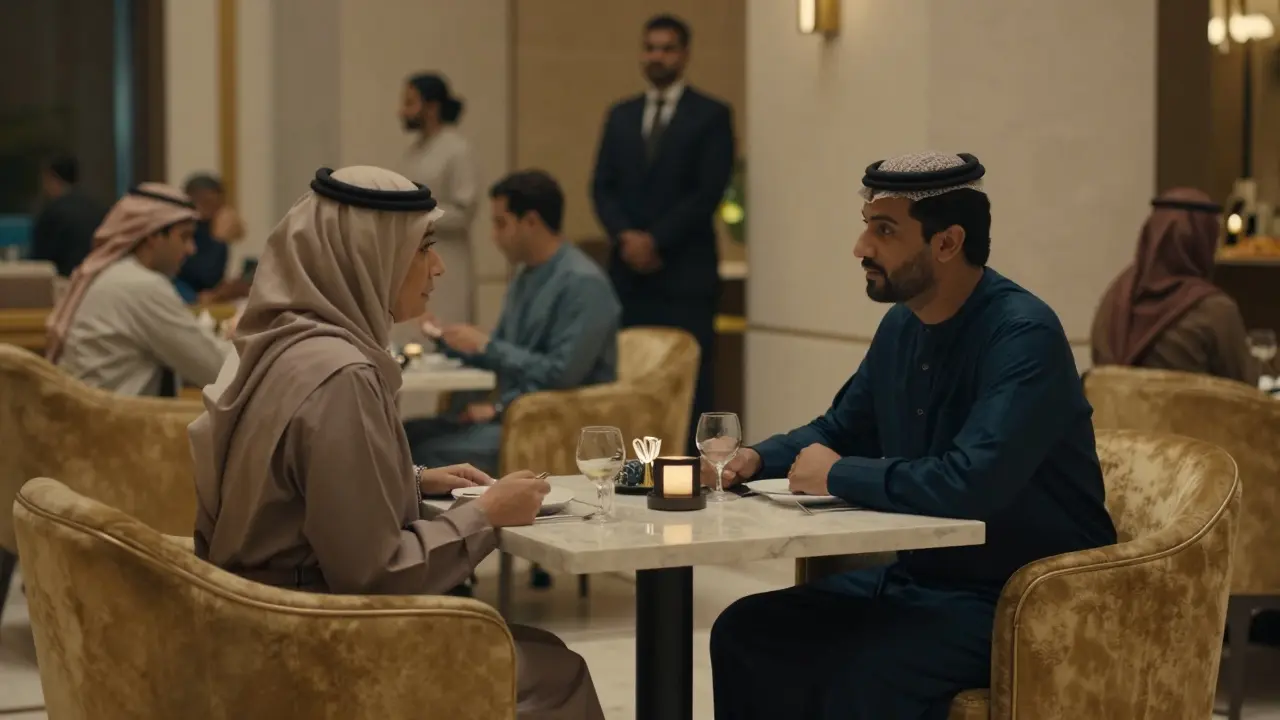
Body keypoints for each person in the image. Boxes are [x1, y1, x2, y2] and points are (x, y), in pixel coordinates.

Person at [706, 152, 1118, 720]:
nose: (861, 247)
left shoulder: (1023, 335)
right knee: (746, 631)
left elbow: (971, 482)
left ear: (947, 243)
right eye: (866, 225)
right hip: (924, 582)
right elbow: (840, 428)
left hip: (1023, 600)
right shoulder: (904, 323)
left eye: (884, 230)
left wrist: (836, 474)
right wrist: (755, 457)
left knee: (863, 672)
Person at [189, 166, 604, 720]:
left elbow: (287, 488)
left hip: (252, 626)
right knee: (556, 673)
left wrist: (408, 479)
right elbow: (376, 574)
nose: (438, 266)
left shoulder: (284, 343)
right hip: (313, 644)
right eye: (422, 247)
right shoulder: (341, 375)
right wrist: (487, 514)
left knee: (540, 649)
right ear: (369, 255)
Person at [406, 170, 620, 477]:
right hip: (511, 414)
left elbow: (562, 374)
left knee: (423, 453)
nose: (493, 235)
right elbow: (504, 352)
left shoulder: (584, 284)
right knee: (404, 434)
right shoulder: (525, 276)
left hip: (551, 427)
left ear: (531, 222)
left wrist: (496, 398)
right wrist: (448, 339)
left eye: (500, 223)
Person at [590, 14, 734, 451]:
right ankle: (632, 470)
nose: (658, 56)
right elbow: (602, 186)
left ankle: (694, 473)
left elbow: (707, 190)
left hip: (684, 272)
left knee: (690, 382)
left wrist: (656, 240)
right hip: (629, 276)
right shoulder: (621, 114)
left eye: (667, 48)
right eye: (650, 47)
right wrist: (627, 238)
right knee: (631, 378)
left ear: (685, 55)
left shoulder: (710, 115)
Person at [47, 183, 226, 397]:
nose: (191, 249)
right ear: (153, 236)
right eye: (184, 237)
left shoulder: (116, 275)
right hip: (115, 427)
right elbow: (219, 371)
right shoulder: (140, 285)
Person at [1091, 188, 1260, 383]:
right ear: (1204, 242)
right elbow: (1246, 389)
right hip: (1196, 414)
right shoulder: (1215, 310)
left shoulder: (1115, 299)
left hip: (1114, 413)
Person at [398, 72, 478, 327]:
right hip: (415, 257)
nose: (402, 111)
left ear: (431, 107)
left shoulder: (457, 150)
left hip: (448, 263)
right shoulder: (415, 151)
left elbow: (462, 214)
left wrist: (417, 212)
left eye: (410, 103)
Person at [174, 173, 249, 305]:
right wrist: (219, 240)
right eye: (208, 204)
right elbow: (205, 276)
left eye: (219, 206)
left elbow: (214, 280)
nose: (217, 213)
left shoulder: (211, 227)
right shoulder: (181, 230)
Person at [29, 154, 107, 277]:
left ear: (51, 177)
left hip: (65, 284)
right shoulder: (98, 209)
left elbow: (39, 266)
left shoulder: (52, 214)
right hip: (97, 281)